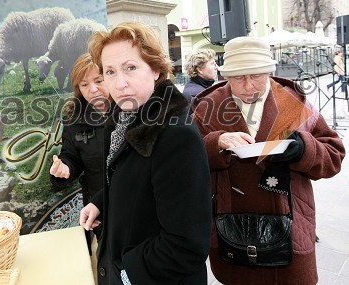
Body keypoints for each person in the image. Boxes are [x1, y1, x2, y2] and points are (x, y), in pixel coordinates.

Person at [192, 36, 345, 285]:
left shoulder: (295, 102)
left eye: (257, 76)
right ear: (226, 76)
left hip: (292, 230)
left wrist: (304, 149)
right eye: (239, 77)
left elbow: (334, 155)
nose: (249, 86)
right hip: (233, 231)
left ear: (269, 71)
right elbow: (185, 163)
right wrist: (215, 143)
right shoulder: (207, 106)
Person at [80, 22, 211, 284]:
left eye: (131, 67)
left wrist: (126, 272)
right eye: (110, 71)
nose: (120, 83)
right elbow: (138, 184)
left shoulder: (175, 135)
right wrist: (101, 202)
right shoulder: (124, 119)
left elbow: (187, 246)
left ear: (155, 69)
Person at [49, 53, 109, 250]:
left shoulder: (132, 111)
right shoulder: (74, 118)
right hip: (99, 209)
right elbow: (71, 155)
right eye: (84, 85)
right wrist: (65, 167)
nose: (93, 90)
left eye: (99, 80)